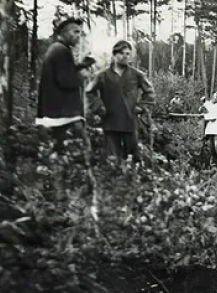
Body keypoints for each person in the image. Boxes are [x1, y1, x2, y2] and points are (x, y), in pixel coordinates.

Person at [35, 16, 96, 198]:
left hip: (57, 113)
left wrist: (81, 65)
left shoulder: (59, 50)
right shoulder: (60, 50)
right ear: (63, 33)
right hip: (61, 113)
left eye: (80, 32)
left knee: (57, 152)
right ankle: (82, 188)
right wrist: (83, 74)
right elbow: (65, 80)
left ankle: (57, 192)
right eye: (74, 32)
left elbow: (64, 73)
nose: (78, 36)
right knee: (80, 146)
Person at [86, 40, 156, 163]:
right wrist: (98, 107)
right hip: (110, 122)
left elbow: (150, 92)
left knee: (133, 158)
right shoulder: (102, 75)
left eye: (128, 54)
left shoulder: (137, 75)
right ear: (114, 55)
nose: (125, 57)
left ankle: (134, 180)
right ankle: (116, 179)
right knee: (113, 159)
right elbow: (89, 92)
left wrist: (140, 107)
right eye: (122, 53)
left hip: (130, 122)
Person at [202, 91, 217, 168]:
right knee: (212, 149)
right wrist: (204, 101)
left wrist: (205, 116)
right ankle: (215, 164)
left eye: (214, 97)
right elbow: (208, 106)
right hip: (211, 130)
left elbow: (212, 117)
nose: (213, 98)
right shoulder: (214, 105)